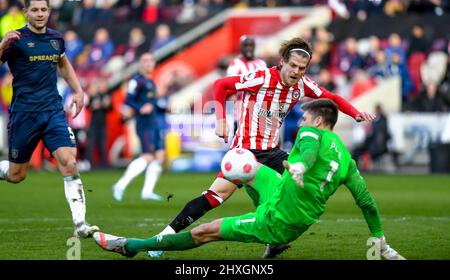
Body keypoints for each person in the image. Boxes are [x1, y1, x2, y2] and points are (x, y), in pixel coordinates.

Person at [149, 37, 376, 258]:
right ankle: (162, 239)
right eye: (293, 66)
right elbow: (221, 85)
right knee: (215, 196)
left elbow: (332, 97)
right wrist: (221, 120)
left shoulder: (302, 85)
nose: (296, 72)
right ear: (282, 62)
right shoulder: (261, 78)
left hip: (273, 152)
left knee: (294, 187)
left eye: (302, 68)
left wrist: (356, 113)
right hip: (245, 151)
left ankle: (274, 242)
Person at [93, 99, 405, 260]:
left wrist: (300, 166)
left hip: (281, 216)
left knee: (205, 232)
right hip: (288, 195)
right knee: (246, 167)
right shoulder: (348, 160)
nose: (303, 122)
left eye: (307, 118)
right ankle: (268, 224)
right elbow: (366, 201)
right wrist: (380, 240)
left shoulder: (311, 132)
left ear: (320, 121)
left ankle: (132, 246)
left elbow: (309, 149)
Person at [0, 0, 99, 238]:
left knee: (69, 161)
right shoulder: (16, 40)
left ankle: (81, 224)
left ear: (49, 11)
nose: (40, 14)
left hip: (53, 111)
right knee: (16, 175)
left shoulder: (56, 39)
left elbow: (63, 64)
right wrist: (2, 45)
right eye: (35, 10)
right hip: (24, 113)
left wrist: (78, 90)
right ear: (26, 12)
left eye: (44, 10)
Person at [112, 53, 165, 202]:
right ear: (141, 64)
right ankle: (120, 185)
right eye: (145, 61)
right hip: (144, 124)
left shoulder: (151, 82)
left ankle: (147, 191)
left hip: (154, 123)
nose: (148, 63)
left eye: (151, 60)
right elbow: (128, 100)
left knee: (160, 156)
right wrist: (140, 107)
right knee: (147, 156)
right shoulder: (137, 81)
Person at [226, 35, 267, 134]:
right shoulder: (235, 65)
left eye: (251, 45)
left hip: (259, 113)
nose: (248, 48)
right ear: (241, 47)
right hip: (241, 114)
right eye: (246, 45)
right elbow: (229, 87)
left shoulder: (261, 64)